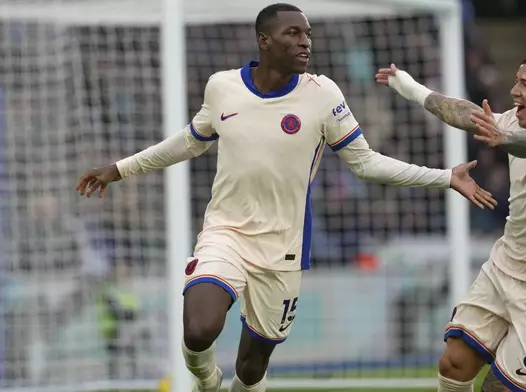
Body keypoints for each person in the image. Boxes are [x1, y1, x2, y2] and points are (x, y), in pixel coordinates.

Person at [75, 3, 497, 392]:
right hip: (227, 232)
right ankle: (205, 377)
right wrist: (120, 168)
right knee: (200, 329)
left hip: (283, 250)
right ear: (264, 41)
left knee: (252, 367)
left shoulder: (323, 95)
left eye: (307, 34)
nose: (305, 42)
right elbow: (190, 141)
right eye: (293, 34)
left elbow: (365, 163)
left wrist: (444, 177)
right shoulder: (222, 87)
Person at [376, 52, 526, 392]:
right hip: (504, 268)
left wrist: (506, 139)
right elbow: (463, 113)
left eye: (525, 84)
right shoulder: (510, 122)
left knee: (497, 389)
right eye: (516, 82)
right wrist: (411, 88)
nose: (514, 91)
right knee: (454, 363)